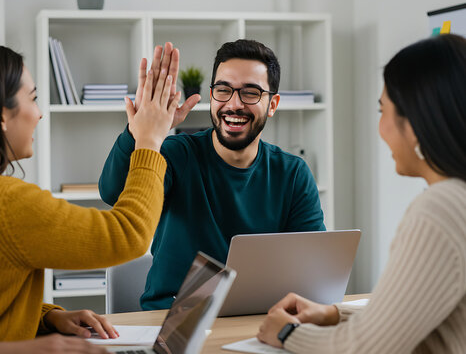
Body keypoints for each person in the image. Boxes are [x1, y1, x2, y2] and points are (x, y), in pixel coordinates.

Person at [0, 42, 180, 349]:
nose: (39, 113)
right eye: (32, 98)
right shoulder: (3, 202)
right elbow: (130, 233)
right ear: (0, 114)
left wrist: (46, 317)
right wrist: (150, 140)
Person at [257, 33, 466, 353]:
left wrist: (286, 334)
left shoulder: (440, 209)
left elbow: (365, 348)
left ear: (417, 121)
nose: (380, 127)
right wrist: (332, 313)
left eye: (383, 111)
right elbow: (405, 316)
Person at [99, 39, 326, 310]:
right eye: (223, 90)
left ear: (273, 104)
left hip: (256, 320)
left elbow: (313, 272)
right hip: (171, 319)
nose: (233, 104)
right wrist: (141, 134)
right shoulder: (175, 155)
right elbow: (113, 193)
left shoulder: (292, 174)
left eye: (251, 93)